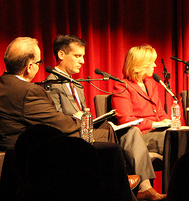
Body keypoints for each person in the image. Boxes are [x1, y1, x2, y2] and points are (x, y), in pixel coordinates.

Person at [45, 35, 163, 200]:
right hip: (71, 136)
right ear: (61, 55)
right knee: (125, 132)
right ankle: (126, 183)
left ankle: (144, 188)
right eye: (77, 56)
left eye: (83, 56)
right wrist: (76, 117)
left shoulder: (77, 84)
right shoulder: (51, 84)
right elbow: (53, 118)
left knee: (130, 132)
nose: (83, 61)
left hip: (87, 130)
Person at [0, 37, 82, 148]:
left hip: (9, 148)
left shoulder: (4, 83)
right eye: (39, 62)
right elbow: (56, 124)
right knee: (102, 134)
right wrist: (77, 119)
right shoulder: (28, 92)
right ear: (29, 67)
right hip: (25, 152)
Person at [112, 45, 173, 157]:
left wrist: (169, 122)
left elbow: (160, 112)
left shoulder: (151, 83)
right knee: (178, 139)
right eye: (151, 62)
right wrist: (155, 124)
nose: (155, 65)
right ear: (141, 65)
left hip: (159, 131)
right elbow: (126, 120)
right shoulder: (122, 86)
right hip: (141, 135)